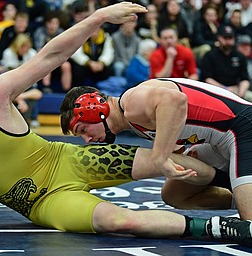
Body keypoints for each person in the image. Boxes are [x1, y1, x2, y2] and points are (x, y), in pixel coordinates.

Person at [0, 2, 250, 247]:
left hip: (66, 160)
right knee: (123, 220)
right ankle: (218, 224)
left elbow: (49, 56)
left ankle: (237, 182)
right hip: (45, 204)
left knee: (178, 165)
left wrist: (97, 17)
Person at [59, 76, 252, 227]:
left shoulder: (131, 104)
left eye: (83, 130)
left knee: (249, 224)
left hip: (241, 127)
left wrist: (160, 156)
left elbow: (175, 99)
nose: (88, 140)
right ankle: (240, 197)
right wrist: (176, 149)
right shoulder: (132, 121)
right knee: (174, 194)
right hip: (217, 139)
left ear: (95, 109)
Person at [200, 25, 252, 101]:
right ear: (219, 38)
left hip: (235, 90)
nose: (228, 41)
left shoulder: (240, 56)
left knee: (250, 97)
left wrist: (241, 93)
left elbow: (245, 79)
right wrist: (225, 89)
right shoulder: (210, 55)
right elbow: (206, 78)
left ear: (234, 39)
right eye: (225, 38)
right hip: (215, 90)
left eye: (230, 38)